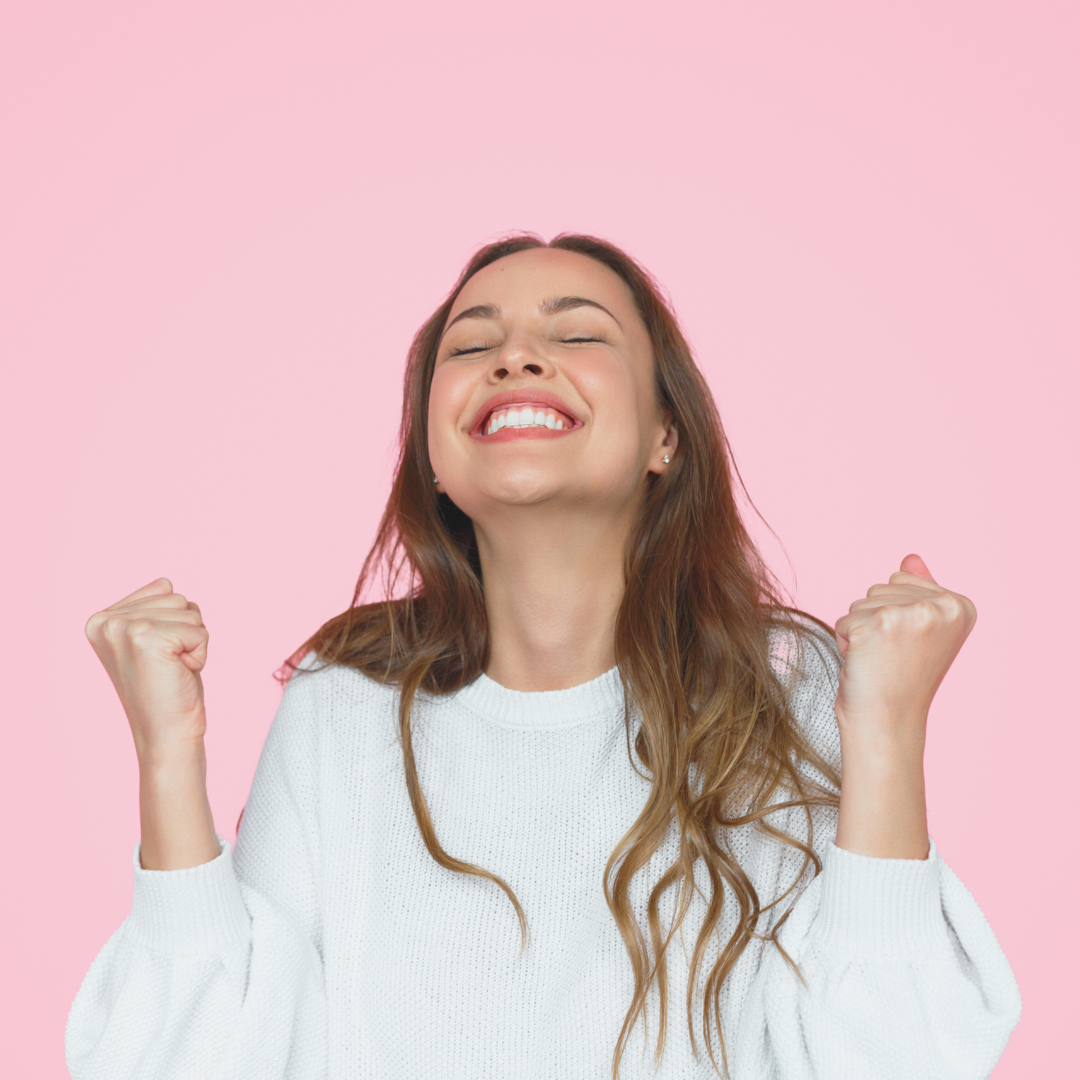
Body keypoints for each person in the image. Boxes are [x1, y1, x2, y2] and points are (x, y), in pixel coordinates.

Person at [66, 233, 1021, 1080]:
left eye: (578, 335)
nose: (515, 355)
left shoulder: (788, 691)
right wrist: (168, 750)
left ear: (665, 435)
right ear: (435, 456)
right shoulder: (343, 707)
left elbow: (896, 1061)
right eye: (472, 345)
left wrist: (889, 729)